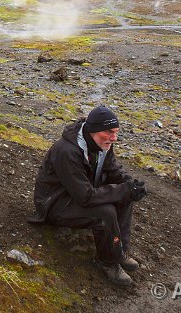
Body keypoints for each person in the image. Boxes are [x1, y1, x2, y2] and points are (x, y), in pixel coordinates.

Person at [29, 105, 147, 286]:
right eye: (109, 132)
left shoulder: (101, 143)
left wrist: (131, 185)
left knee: (125, 197)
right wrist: (123, 190)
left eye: (115, 132)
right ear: (93, 130)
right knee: (105, 212)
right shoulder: (67, 151)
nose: (114, 138)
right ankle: (107, 263)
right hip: (55, 203)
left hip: (78, 193)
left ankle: (119, 252)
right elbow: (84, 196)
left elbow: (113, 170)